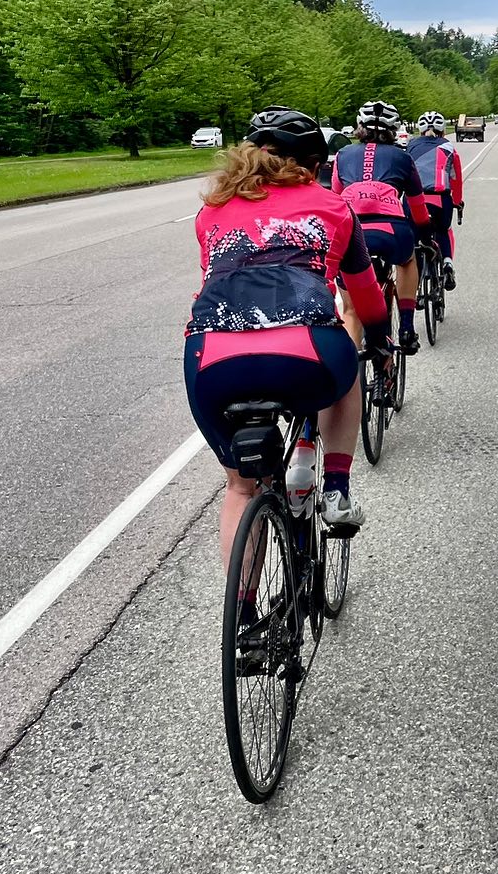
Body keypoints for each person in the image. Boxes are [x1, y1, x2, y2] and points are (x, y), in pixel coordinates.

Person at [184, 106, 390, 600]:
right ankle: (336, 488)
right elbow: (363, 295)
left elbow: (213, 284)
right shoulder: (332, 207)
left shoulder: (210, 211)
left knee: (239, 487)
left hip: (212, 361)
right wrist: (379, 341)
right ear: (316, 164)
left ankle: (246, 622)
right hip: (305, 353)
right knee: (347, 374)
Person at [330, 100, 431, 355]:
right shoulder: (403, 157)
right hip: (391, 231)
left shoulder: (342, 156)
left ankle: (351, 381)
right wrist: (425, 234)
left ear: (359, 127)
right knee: (408, 261)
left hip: (352, 233)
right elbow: (418, 208)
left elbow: (333, 202)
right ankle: (407, 327)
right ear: (394, 129)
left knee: (351, 311)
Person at [407, 110, 463, 290]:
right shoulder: (449, 148)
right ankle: (447, 263)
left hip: (414, 199)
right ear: (442, 129)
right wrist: (457, 201)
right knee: (443, 230)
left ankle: (415, 283)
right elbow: (455, 179)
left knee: (414, 237)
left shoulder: (410, 146)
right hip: (440, 199)